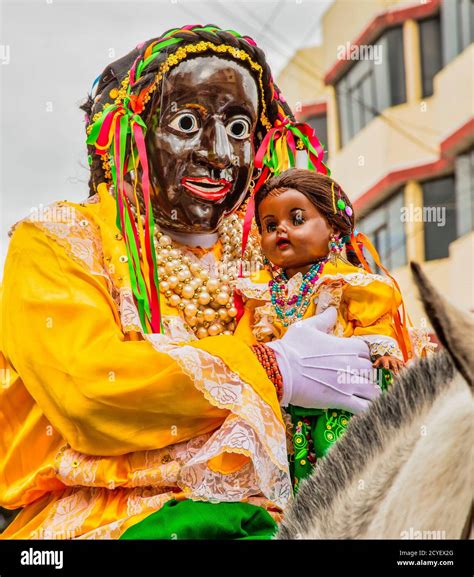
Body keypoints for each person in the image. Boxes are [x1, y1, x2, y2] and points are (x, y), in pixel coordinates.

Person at [0, 25, 380, 540]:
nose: (220, 153)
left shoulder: (275, 249)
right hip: (113, 520)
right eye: (186, 123)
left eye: (240, 128)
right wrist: (272, 369)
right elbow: (89, 395)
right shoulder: (58, 241)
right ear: (126, 135)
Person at [234, 168, 434, 487]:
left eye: (297, 219)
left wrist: (382, 350)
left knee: (341, 465)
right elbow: (244, 345)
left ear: (332, 226)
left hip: (338, 401)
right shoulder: (260, 293)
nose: (281, 230)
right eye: (270, 226)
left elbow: (373, 319)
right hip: (284, 406)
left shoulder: (346, 282)